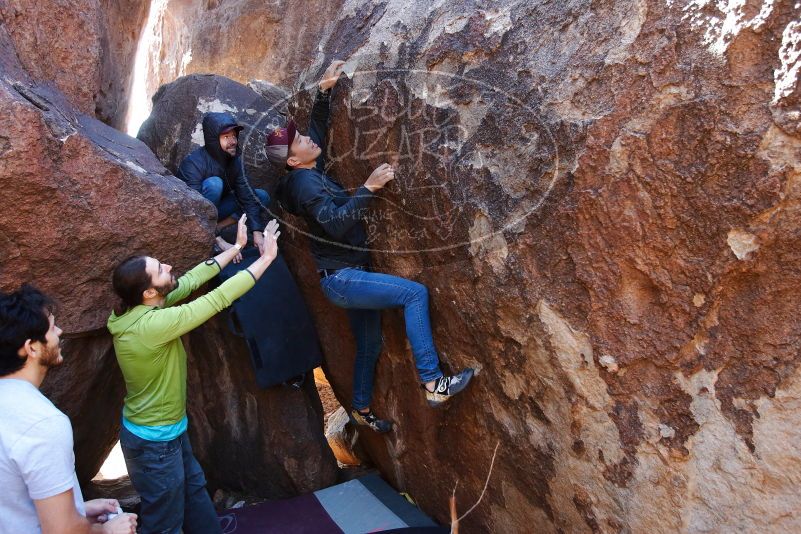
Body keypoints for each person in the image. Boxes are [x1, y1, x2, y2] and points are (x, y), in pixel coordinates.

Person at [266, 60, 474, 434]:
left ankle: (360, 409)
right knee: (414, 294)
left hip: (346, 276)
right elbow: (334, 221)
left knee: (369, 345)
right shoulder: (306, 185)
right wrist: (369, 187)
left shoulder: (305, 170)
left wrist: (323, 92)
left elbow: (316, 132)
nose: (308, 139)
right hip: (343, 280)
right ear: (294, 160)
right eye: (299, 142)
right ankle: (433, 383)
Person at [107, 216, 279, 533]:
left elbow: (189, 282)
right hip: (154, 445)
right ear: (147, 292)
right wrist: (266, 258)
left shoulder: (140, 310)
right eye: (160, 270)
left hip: (169, 432)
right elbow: (217, 299)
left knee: (195, 493)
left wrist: (237, 248)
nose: (169, 267)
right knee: (165, 524)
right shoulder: (151, 326)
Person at [0, 285, 138, 533]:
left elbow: (13, 499)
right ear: (32, 347)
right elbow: (63, 530)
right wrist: (106, 530)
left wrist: (78, 509)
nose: (60, 332)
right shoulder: (43, 422)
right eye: (52, 327)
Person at [177, 111, 269, 260]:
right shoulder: (193, 163)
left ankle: (217, 227)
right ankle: (212, 237)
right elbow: (191, 209)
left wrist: (257, 232)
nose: (233, 141)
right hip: (196, 214)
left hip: (219, 210)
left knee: (261, 197)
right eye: (226, 137)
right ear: (213, 140)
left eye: (234, 136)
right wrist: (219, 241)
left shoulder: (235, 162)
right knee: (215, 184)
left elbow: (247, 196)